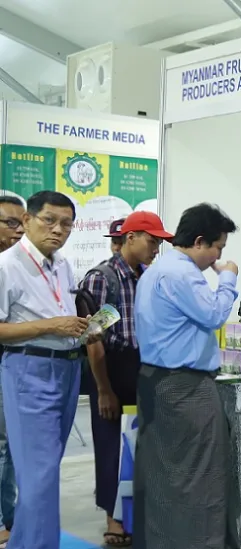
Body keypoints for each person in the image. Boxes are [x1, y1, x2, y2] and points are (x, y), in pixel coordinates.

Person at [133, 203, 238, 549]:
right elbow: (214, 314)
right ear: (199, 241)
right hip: (186, 386)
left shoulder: (155, 270)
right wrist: (228, 277)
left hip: (156, 379)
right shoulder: (182, 273)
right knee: (200, 476)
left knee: (162, 476)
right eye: (218, 247)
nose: (219, 257)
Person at [0, 191, 99, 549]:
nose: (58, 230)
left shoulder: (63, 265)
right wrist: (51, 326)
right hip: (29, 369)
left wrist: (84, 329)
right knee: (39, 476)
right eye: (50, 220)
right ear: (27, 221)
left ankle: (23, 543)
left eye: (67, 224)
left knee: (43, 472)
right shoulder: (6, 265)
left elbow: (60, 315)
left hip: (68, 368)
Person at [82, 212, 172, 547]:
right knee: (111, 448)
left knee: (140, 445)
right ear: (130, 238)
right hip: (111, 367)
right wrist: (103, 389)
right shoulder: (102, 278)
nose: (156, 249)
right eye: (152, 241)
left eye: (160, 243)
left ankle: (138, 513)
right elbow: (93, 339)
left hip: (142, 367)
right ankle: (114, 518)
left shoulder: (148, 277)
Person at [0, 196, 23, 546]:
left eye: (23, 223)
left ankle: (9, 517)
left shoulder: (19, 266)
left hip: (17, 367)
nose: (18, 231)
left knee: (10, 446)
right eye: (10, 223)